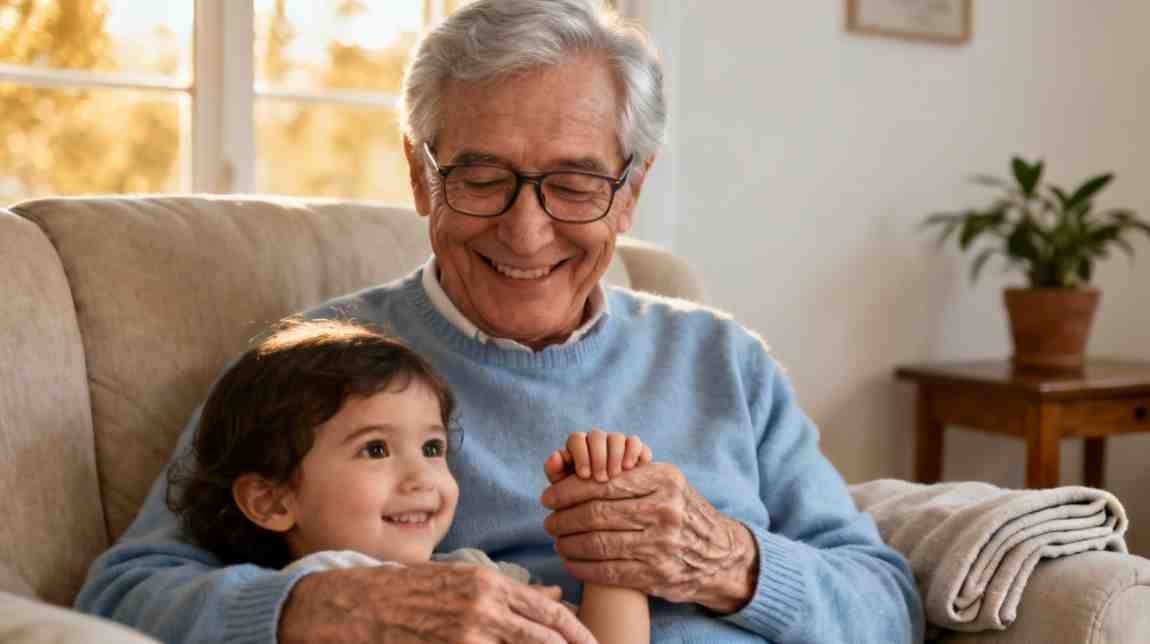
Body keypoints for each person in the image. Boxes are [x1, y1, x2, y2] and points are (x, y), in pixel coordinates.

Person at [75, 0, 925, 642]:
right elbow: (123, 593)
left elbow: (886, 604)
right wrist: (331, 605)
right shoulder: (320, 365)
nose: (526, 231)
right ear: (420, 175)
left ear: (630, 191)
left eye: (574, 183)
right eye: (481, 178)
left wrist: (727, 561)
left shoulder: (721, 359)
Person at [164, 318, 653, 644]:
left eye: (432, 448)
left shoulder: (479, 573)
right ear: (270, 501)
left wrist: (611, 525)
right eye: (375, 448)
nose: (422, 476)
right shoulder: (325, 601)